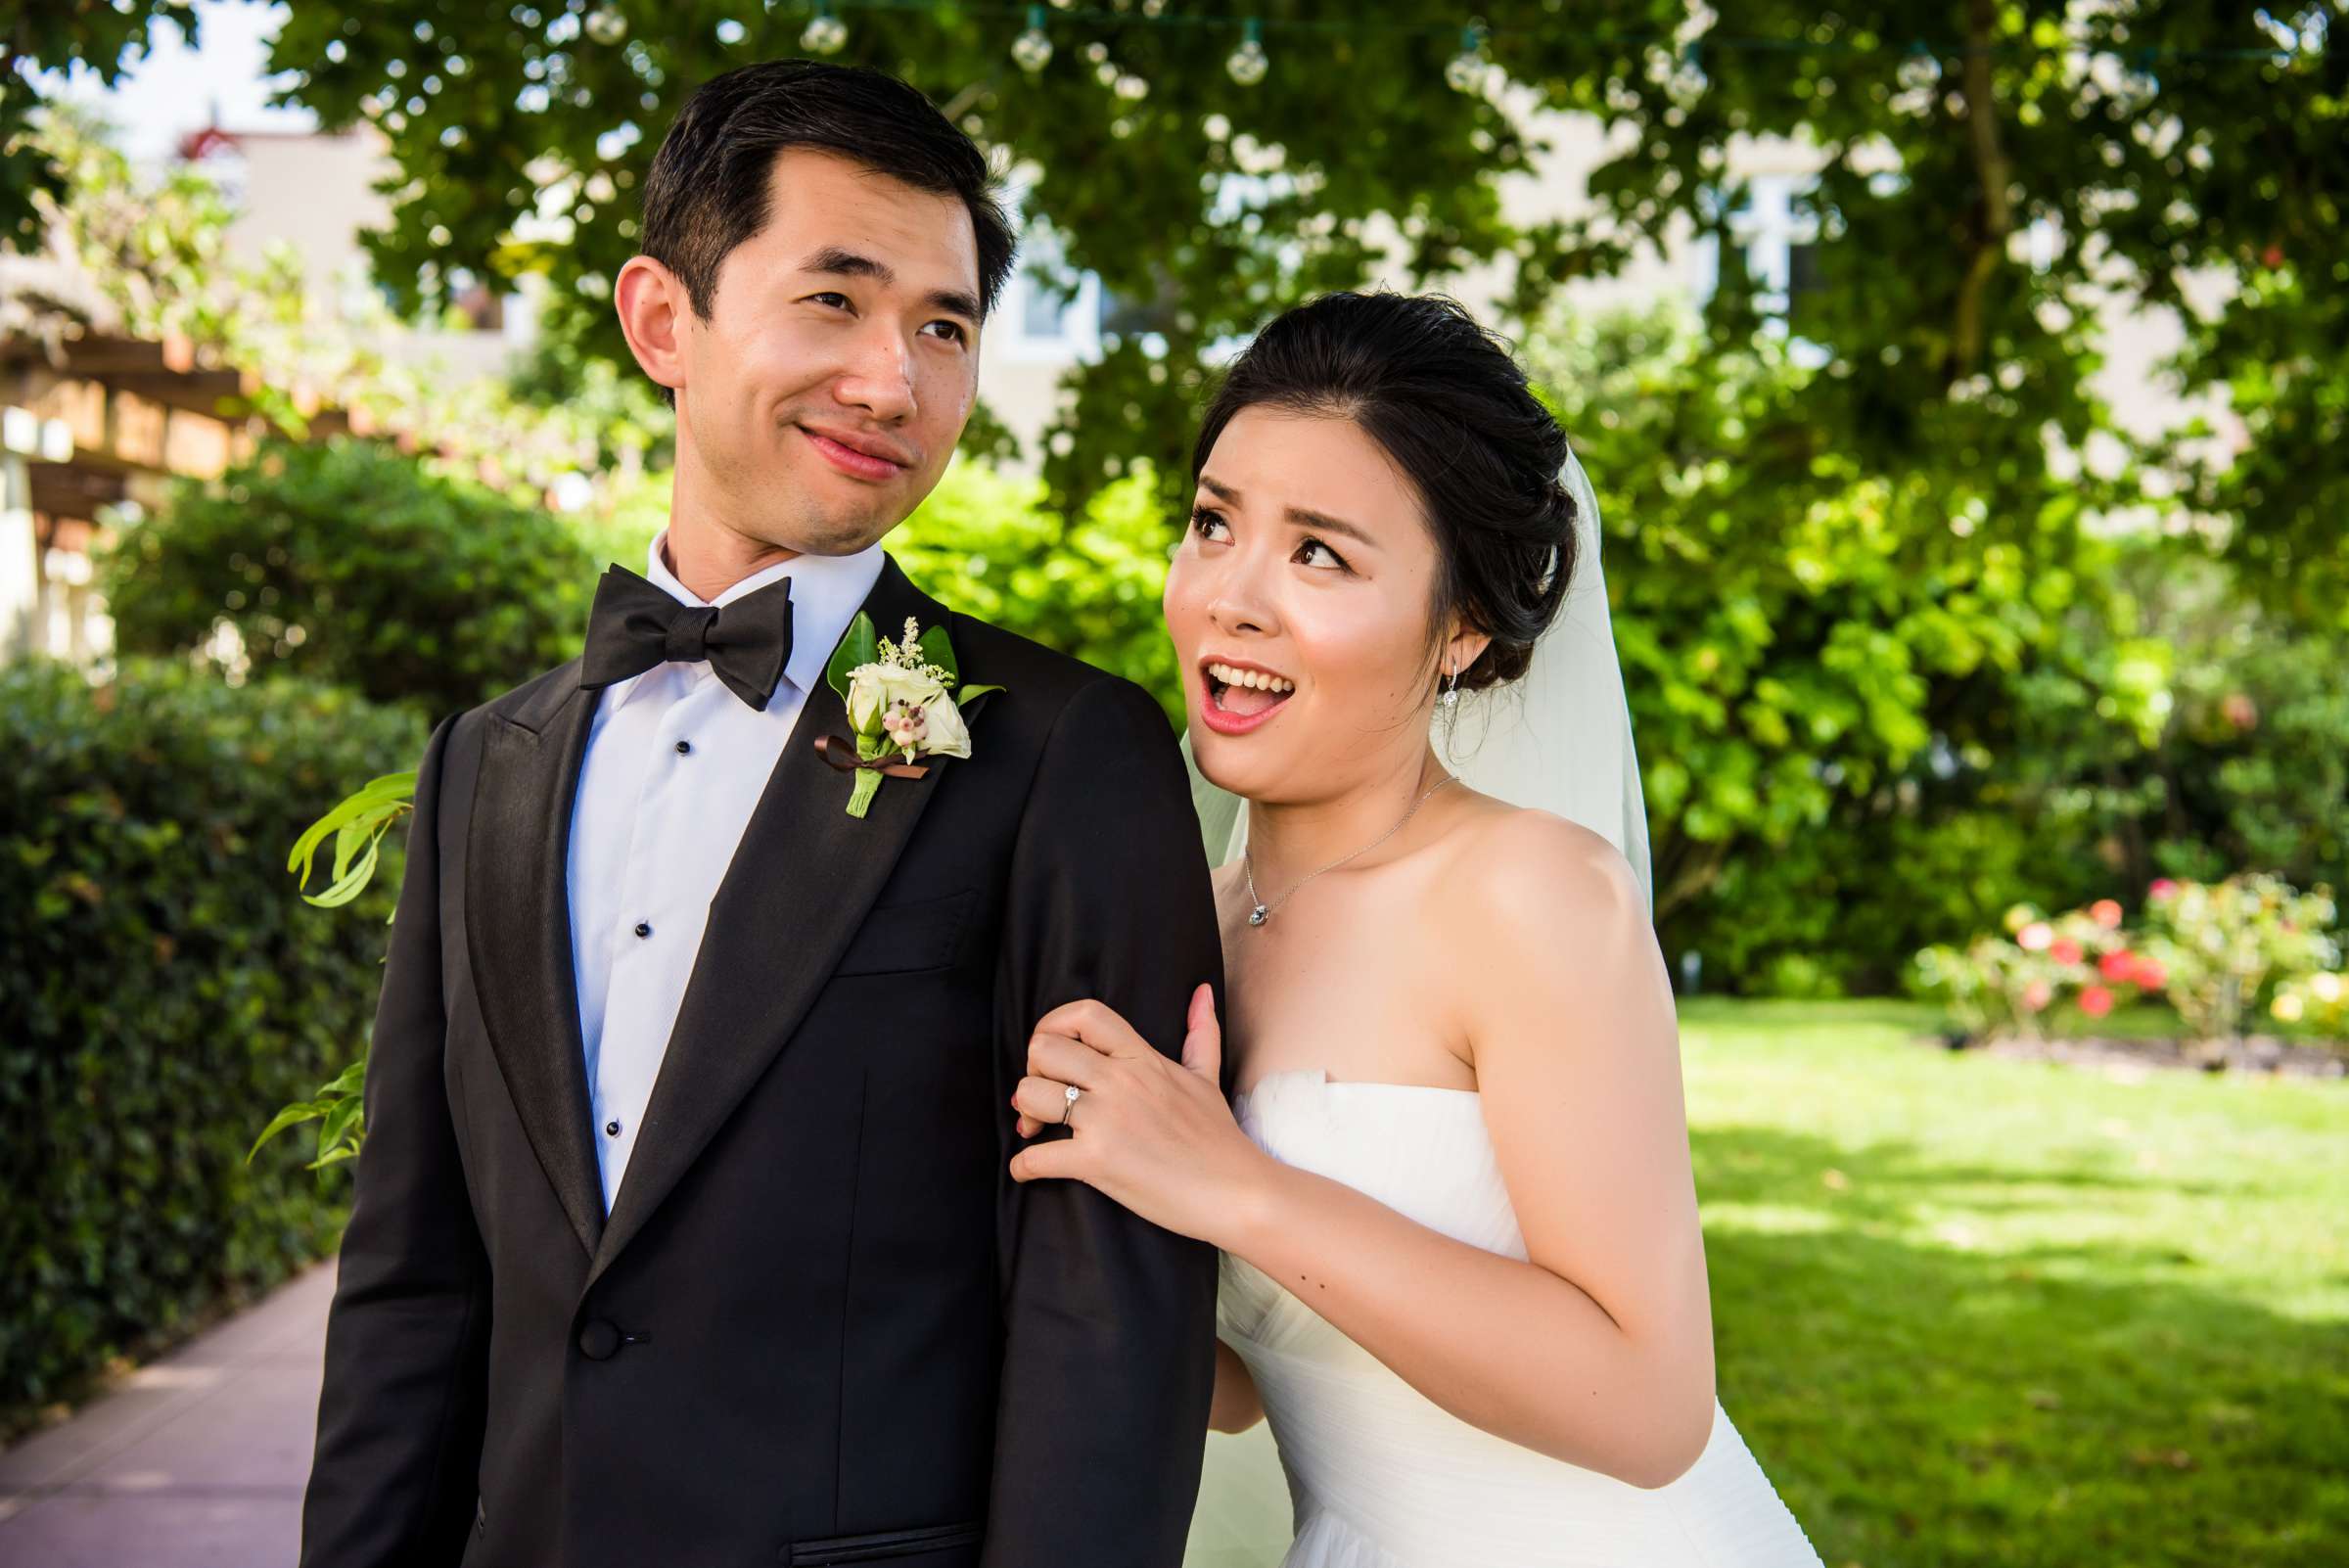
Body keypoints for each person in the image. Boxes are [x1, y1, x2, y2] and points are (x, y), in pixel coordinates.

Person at [299, 61, 1220, 1568]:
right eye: (837, 300)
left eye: (945, 326)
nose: (895, 383)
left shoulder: (1060, 751)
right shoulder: (485, 764)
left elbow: (1108, 1307)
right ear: (663, 318)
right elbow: (413, 1279)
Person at [1008, 292, 1823, 1566]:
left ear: (1462, 627)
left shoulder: (1531, 894)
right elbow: (1242, 1372)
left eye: (1320, 552)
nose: (1232, 596)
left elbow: (1653, 1403)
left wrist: (1239, 1186)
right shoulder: (1193, 917)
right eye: (1213, 523)